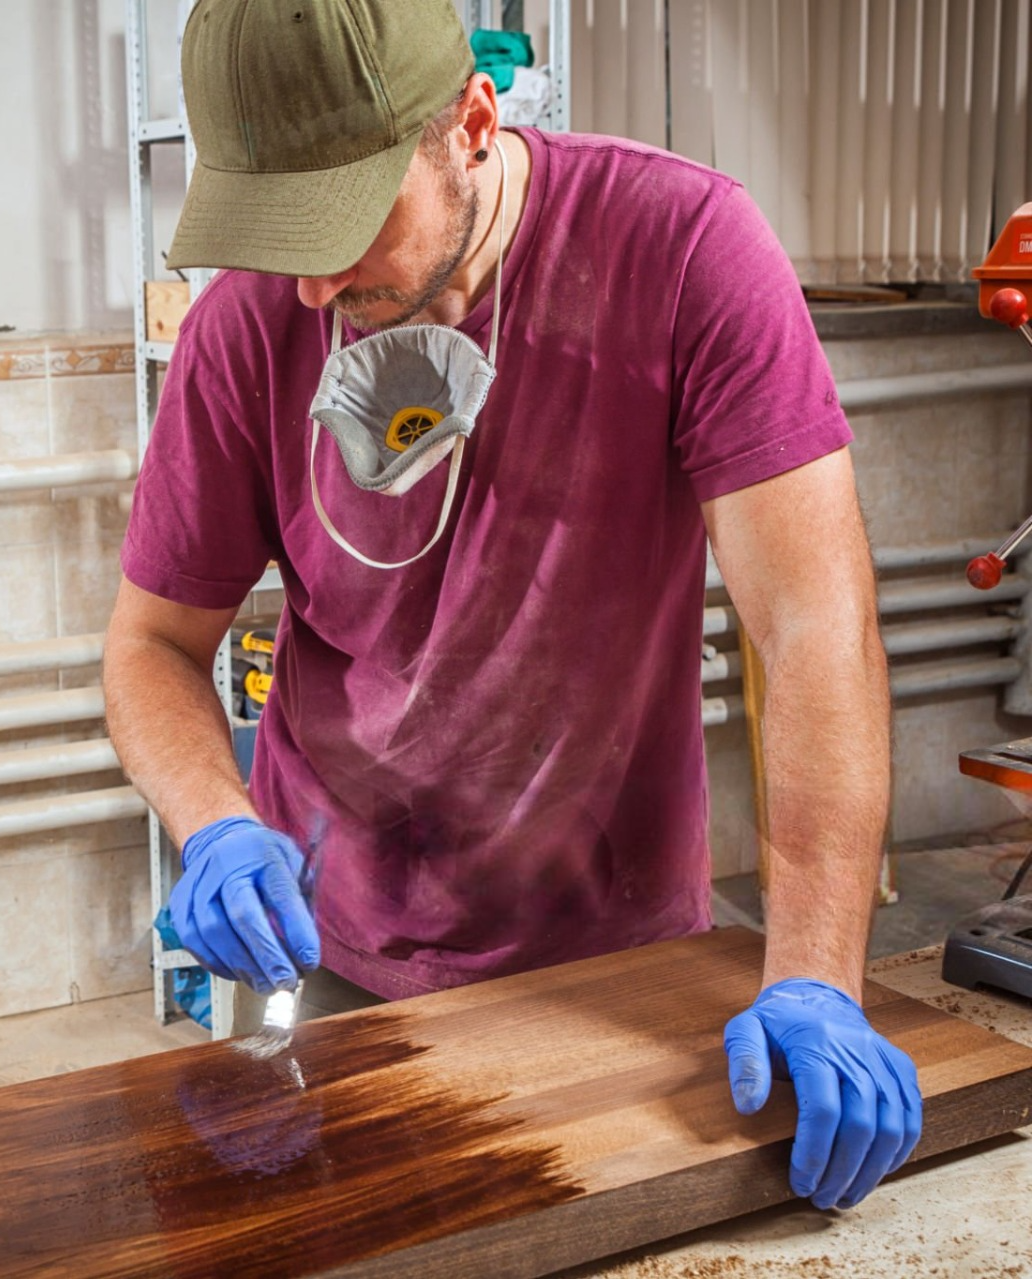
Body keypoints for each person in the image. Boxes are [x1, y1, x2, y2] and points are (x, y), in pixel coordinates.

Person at [104, 0, 921, 1212]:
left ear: (472, 125)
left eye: (349, 223)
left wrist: (815, 972)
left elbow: (811, 624)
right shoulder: (247, 327)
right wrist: (212, 820)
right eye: (284, 237)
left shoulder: (685, 250)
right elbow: (153, 645)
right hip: (331, 950)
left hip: (619, 957)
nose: (318, 281)